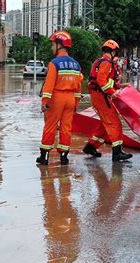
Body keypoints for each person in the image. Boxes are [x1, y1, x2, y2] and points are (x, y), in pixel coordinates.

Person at [36, 31, 83, 165]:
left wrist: (45, 101)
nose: (52, 47)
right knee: (66, 128)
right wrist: (76, 103)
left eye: (53, 44)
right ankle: (64, 157)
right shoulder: (76, 65)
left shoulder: (54, 63)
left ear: (59, 45)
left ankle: (44, 157)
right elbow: (78, 87)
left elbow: (49, 85)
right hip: (70, 100)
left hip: (56, 98)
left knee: (50, 127)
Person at [83, 40, 133, 162]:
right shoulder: (106, 63)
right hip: (102, 96)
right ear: (113, 51)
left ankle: (91, 146)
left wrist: (120, 86)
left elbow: (107, 82)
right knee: (114, 122)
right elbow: (101, 81)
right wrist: (112, 92)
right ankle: (117, 152)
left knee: (106, 123)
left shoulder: (100, 61)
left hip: (99, 95)